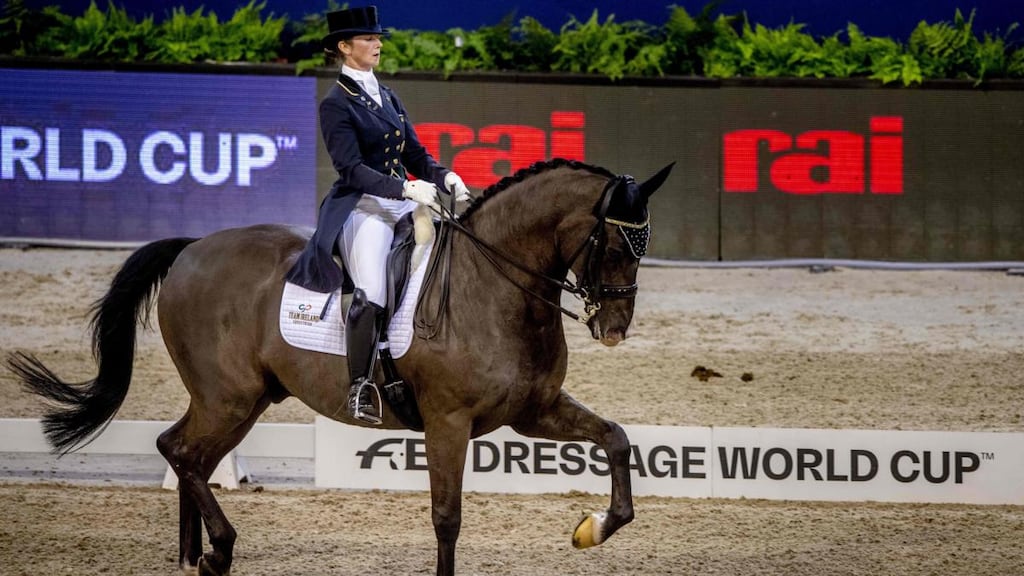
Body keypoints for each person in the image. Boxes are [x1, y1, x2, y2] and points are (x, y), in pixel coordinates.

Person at [285, 5, 470, 425]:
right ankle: (360, 385)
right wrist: (404, 187)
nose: (377, 44)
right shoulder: (336, 103)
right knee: (372, 292)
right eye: (368, 38)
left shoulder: (387, 96)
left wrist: (446, 176)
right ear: (344, 47)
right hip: (362, 207)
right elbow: (351, 169)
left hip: (403, 201)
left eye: (377, 38)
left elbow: (415, 154)